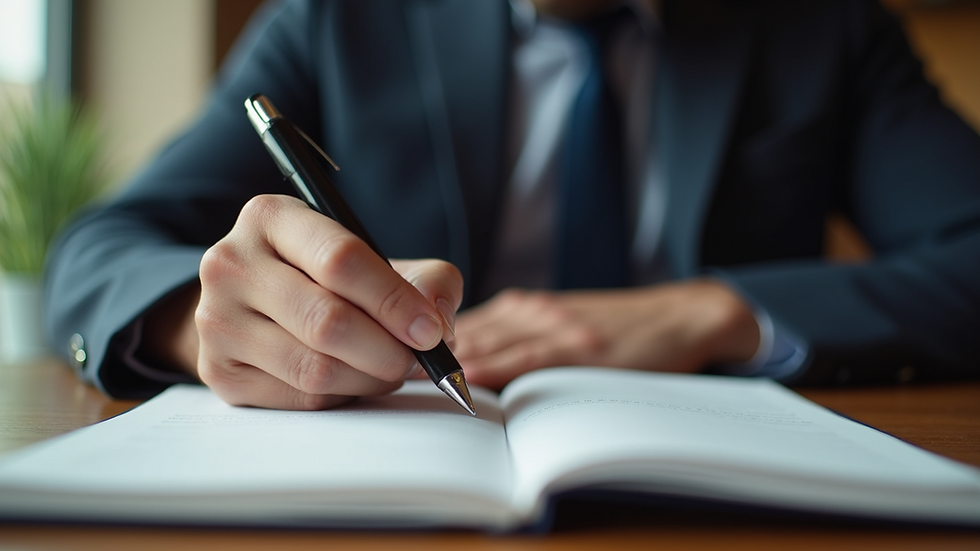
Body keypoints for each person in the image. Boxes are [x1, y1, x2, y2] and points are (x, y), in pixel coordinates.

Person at [43, 0, 980, 410]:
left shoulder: (824, 24)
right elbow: (101, 249)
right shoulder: (337, 17)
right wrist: (199, 322)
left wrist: (718, 312)